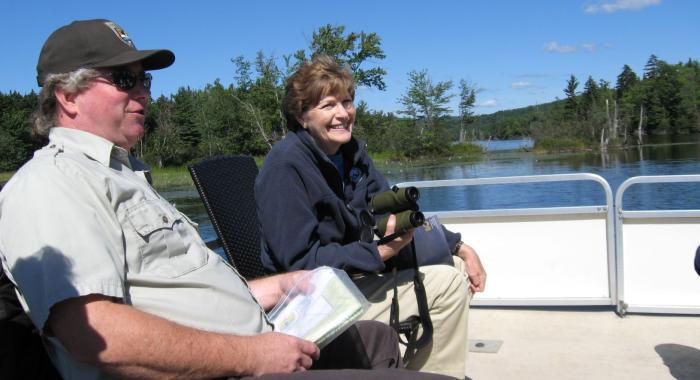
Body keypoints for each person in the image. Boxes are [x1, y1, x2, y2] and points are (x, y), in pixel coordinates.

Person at [0, 19, 453, 380]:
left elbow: (171, 290)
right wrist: (252, 355)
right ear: (67, 95)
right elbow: (94, 334)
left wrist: (276, 286)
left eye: (145, 79)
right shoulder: (51, 184)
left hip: (254, 336)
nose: (143, 91)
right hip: (227, 368)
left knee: (375, 340)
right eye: (124, 79)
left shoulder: (124, 175)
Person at [255, 55, 487, 379]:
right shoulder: (286, 167)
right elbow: (298, 263)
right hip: (313, 301)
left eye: (347, 102)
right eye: (328, 105)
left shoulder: (350, 155)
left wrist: (459, 245)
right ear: (302, 116)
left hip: (352, 279)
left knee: (457, 266)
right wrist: (377, 253)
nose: (342, 113)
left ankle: (423, 373)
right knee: (448, 284)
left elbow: (398, 210)